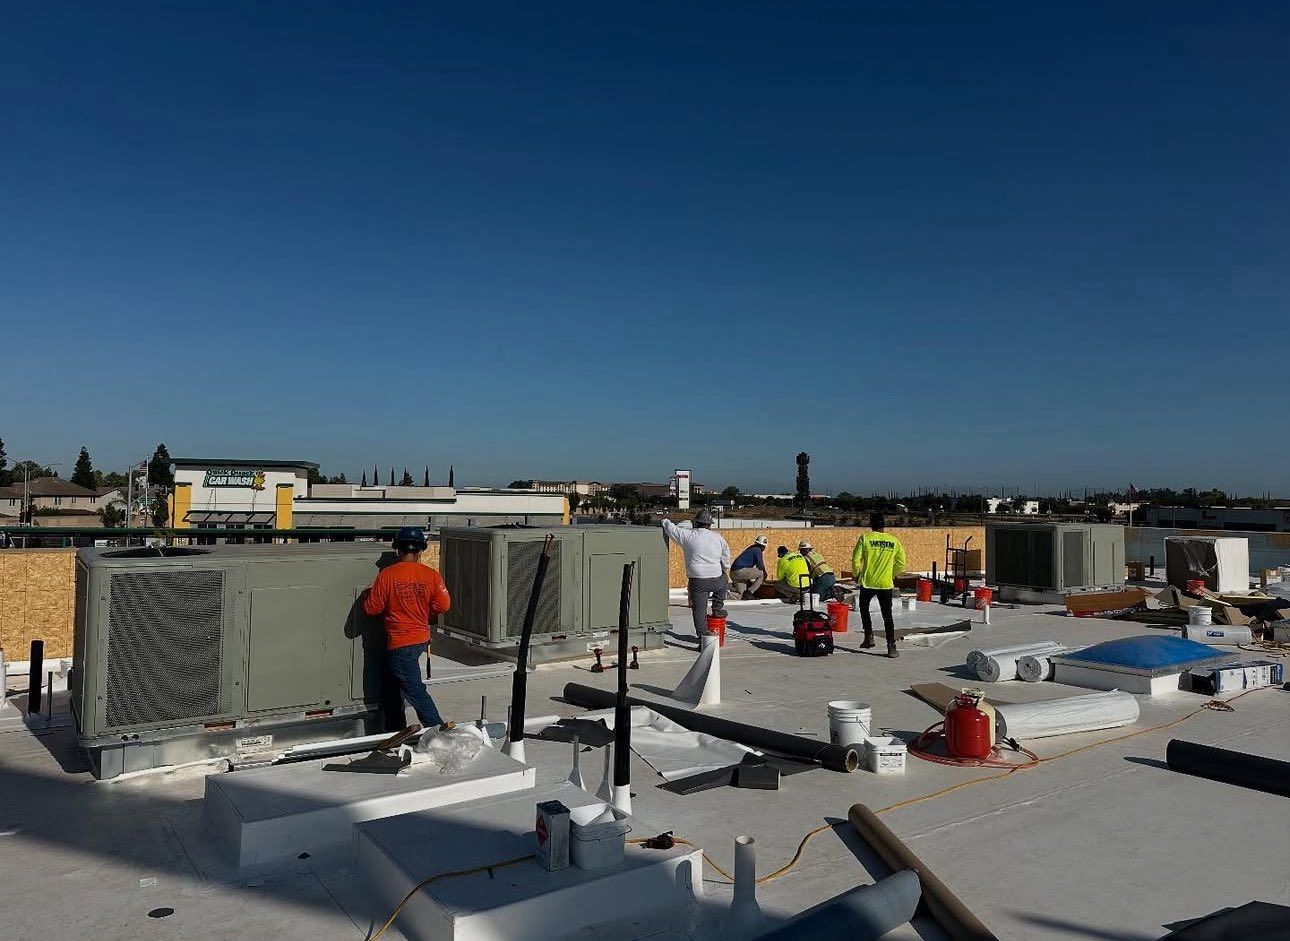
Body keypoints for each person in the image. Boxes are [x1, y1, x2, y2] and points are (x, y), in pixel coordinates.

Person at [363, 526, 455, 730]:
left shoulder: (387, 575)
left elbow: (372, 608)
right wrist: (423, 607)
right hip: (419, 639)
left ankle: (436, 728)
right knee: (392, 685)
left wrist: (368, 594)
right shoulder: (431, 575)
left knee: (413, 688)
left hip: (399, 642)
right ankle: (395, 727)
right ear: (420, 551)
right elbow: (443, 605)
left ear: (398, 550)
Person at [662, 509, 731, 647]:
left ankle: (703, 639)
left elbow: (671, 529)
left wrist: (665, 521)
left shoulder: (687, 535)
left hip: (698, 581)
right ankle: (717, 609)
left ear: (695, 522)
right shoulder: (718, 537)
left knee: (699, 612)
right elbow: (725, 556)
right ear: (709, 525)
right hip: (716, 578)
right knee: (724, 581)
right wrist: (724, 568)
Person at [851, 514, 907, 657]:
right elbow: (901, 562)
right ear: (884, 526)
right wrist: (891, 574)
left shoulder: (865, 538)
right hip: (885, 584)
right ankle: (891, 646)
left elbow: (856, 560)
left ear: (871, 525)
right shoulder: (893, 540)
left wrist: (856, 574)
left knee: (864, 609)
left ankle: (868, 636)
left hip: (868, 582)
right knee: (887, 616)